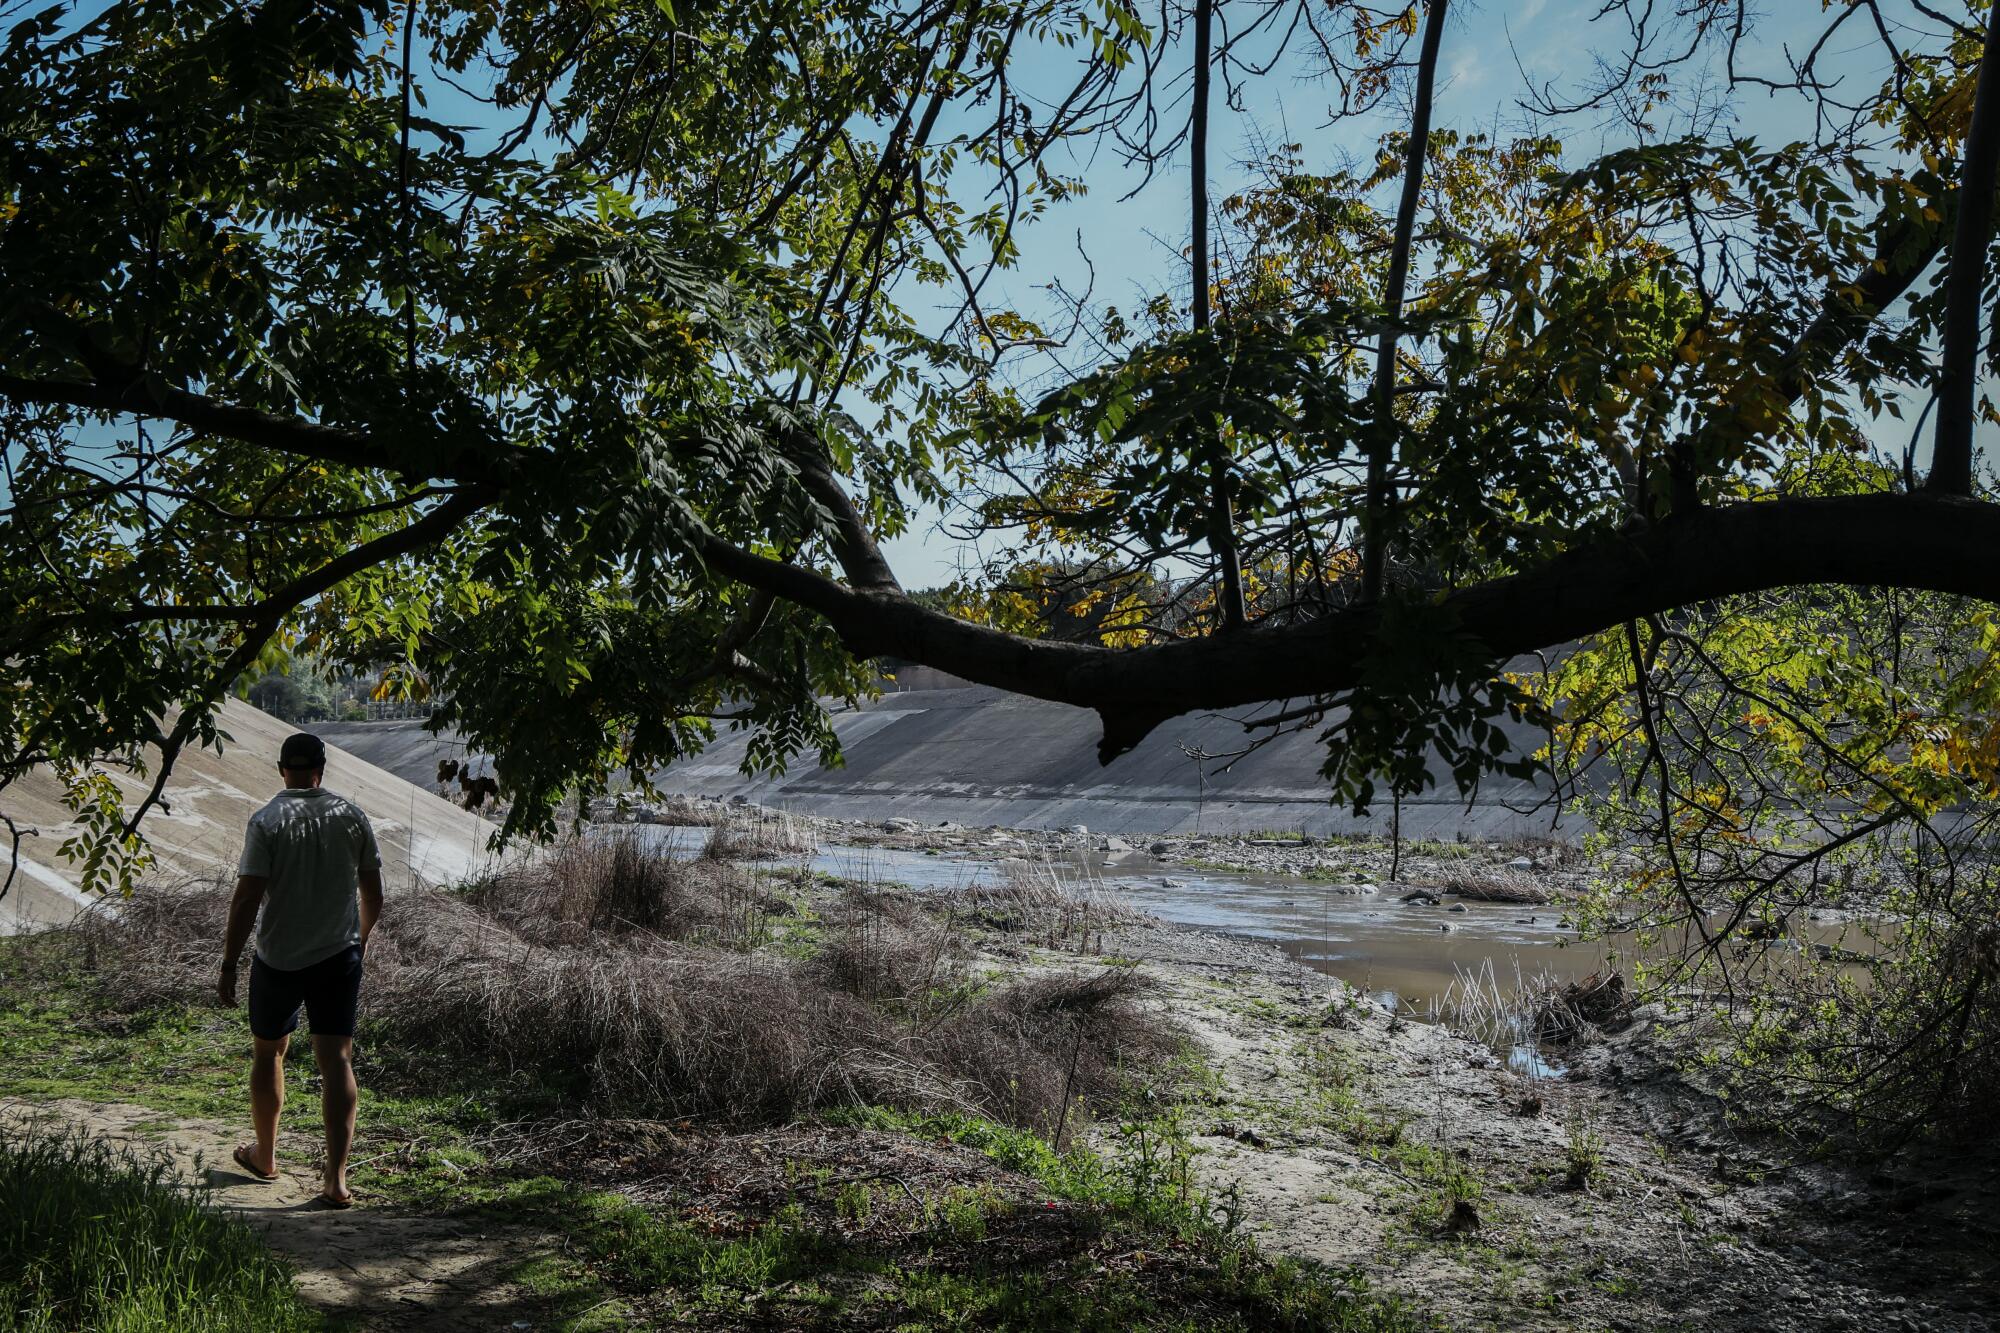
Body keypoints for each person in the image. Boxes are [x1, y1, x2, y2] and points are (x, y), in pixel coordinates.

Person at [217, 731, 384, 1208]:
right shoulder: (350, 816)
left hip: (278, 959)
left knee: (268, 1054)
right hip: (339, 956)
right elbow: (372, 894)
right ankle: (335, 1181)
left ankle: (265, 1156)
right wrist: (360, 941)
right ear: (322, 768)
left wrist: (229, 964)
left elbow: (247, 897)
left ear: (280, 769)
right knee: (337, 1061)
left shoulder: (267, 820)